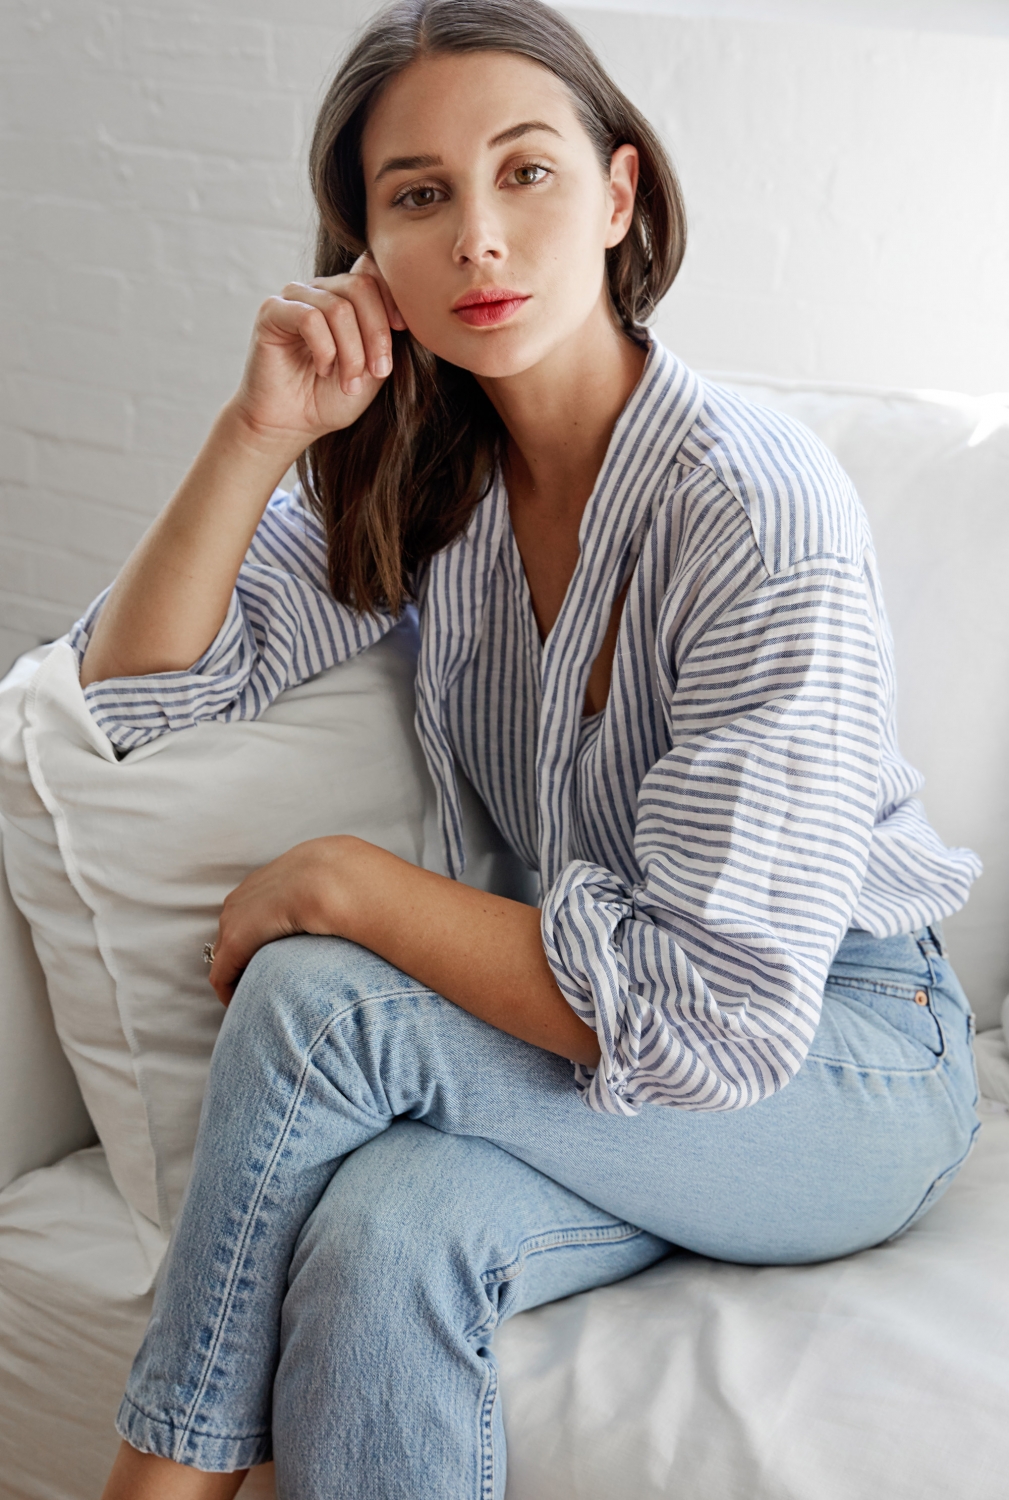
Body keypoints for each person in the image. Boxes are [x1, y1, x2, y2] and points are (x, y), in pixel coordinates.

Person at [88, 1, 980, 1495]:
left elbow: (716, 1021)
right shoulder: (433, 481)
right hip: (606, 1058)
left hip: (834, 1066)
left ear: (619, 194)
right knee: (380, 1240)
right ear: (367, 252)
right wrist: (256, 437)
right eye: (419, 197)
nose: (478, 241)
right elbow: (139, 689)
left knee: (323, 999)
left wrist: (351, 889)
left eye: (526, 173)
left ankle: (151, 1483)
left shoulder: (755, 509)